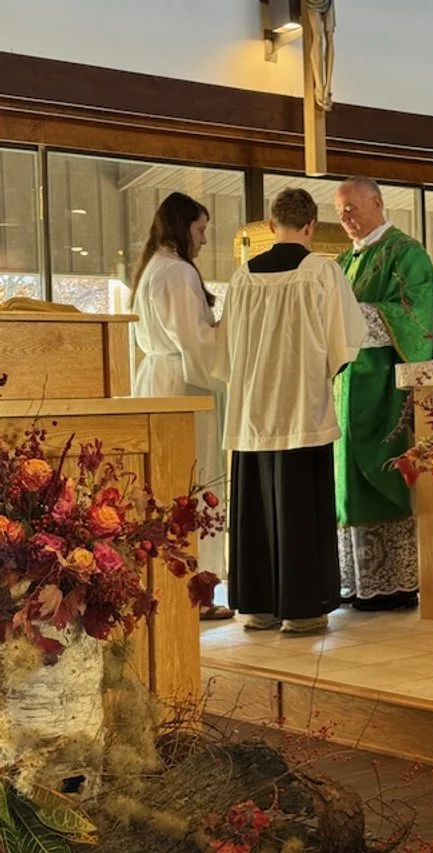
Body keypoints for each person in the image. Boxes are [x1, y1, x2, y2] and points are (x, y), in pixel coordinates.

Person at [212, 188, 367, 633]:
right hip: (301, 407)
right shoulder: (322, 270)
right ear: (311, 226)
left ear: (271, 225)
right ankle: (301, 612)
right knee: (300, 506)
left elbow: (225, 354)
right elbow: (345, 341)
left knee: (256, 506)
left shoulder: (243, 277)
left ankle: (257, 607)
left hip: (252, 410)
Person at [334, 176, 433, 611]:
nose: (345, 218)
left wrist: (350, 316)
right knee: (346, 484)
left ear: (377, 203)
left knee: (383, 475)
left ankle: (394, 584)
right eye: (339, 211)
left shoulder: (407, 254)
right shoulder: (344, 260)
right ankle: (356, 583)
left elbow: (416, 318)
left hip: (385, 387)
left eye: (351, 208)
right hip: (347, 384)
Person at [131, 191, 232, 621]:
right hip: (183, 382)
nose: (204, 239)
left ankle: (174, 590)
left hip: (161, 377)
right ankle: (197, 592)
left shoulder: (156, 266)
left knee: (170, 486)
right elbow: (194, 340)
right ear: (181, 226)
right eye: (201, 229)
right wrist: (229, 328)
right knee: (194, 485)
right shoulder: (176, 271)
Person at [307, 0, 336, 111]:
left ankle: (328, 85)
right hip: (312, 3)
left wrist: (328, 85)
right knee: (318, 38)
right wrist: (319, 85)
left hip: (328, 2)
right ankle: (319, 86)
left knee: (329, 37)